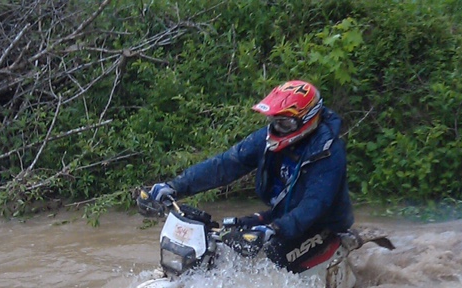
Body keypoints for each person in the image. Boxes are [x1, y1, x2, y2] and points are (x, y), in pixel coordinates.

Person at [143, 80, 354, 274]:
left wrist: (273, 230)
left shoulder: (328, 152)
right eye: (275, 121)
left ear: (308, 120)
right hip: (281, 215)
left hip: (320, 225)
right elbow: (225, 165)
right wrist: (174, 186)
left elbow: (316, 205)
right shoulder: (266, 138)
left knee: (271, 258)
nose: (278, 128)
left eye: (285, 124)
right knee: (224, 235)